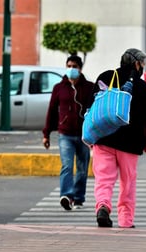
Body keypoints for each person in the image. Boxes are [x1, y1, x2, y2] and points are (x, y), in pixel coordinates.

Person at [92, 48, 146, 228]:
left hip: (103, 138)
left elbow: (91, 106)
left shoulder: (104, 77)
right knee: (127, 183)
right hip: (130, 143)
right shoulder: (141, 87)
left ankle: (103, 206)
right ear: (136, 64)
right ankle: (126, 221)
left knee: (104, 179)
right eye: (142, 64)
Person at [42, 55, 94, 211]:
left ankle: (78, 198)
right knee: (66, 165)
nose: (72, 69)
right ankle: (66, 196)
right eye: (69, 65)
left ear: (80, 68)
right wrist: (46, 133)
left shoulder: (89, 87)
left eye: (75, 66)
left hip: (84, 135)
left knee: (82, 167)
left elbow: (93, 112)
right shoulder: (59, 88)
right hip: (65, 134)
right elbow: (52, 111)